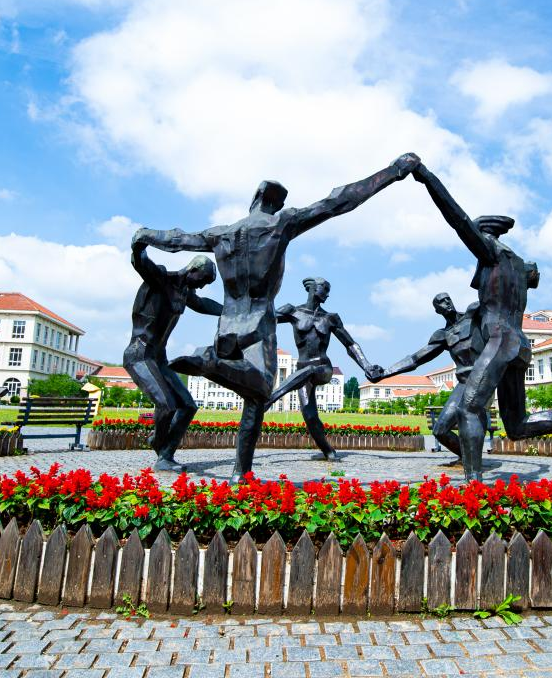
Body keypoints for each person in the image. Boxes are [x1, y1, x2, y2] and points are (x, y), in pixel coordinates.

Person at [132, 152, 420, 481]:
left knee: (254, 396)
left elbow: (178, 239)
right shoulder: (281, 223)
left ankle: (241, 470)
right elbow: (337, 202)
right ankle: (213, 371)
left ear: (254, 199)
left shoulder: (220, 234)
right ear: (275, 204)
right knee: (259, 395)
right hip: (258, 323)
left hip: (227, 325)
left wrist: (145, 235)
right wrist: (393, 172)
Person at [412, 164, 552, 481]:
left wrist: (426, 177)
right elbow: (531, 278)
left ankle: (473, 485)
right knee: (517, 427)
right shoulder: (518, 264)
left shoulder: (492, 252)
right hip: (518, 345)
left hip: (500, 340)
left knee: (469, 408)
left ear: (482, 234)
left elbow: (456, 219)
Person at [124, 247, 222, 470]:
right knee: (166, 405)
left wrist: (229, 311)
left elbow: (202, 304)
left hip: (159, 358)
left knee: (187, 406)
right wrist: (139, 246)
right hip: (139, 355)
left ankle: (165, 455)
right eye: (203, 280)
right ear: (193, 269)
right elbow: (140, 262)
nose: (202, 286)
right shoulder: (161, 278)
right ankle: (159, 446)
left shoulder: (184, 292)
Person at [266, 277, 381, 461]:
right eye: (325, 289)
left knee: (310, 370)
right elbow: (264, 320)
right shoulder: (292, 311)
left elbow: (350, 344)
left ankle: (271, 398)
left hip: (322, 368)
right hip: (301, 371)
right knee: (310, 416)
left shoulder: (330, 318)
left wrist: (366, 365)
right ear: (312, 288)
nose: (327, 294)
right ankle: (328, 451)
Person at [375, 292, 487, 459]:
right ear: (437, 310)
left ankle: (473, 462)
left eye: (448, 299)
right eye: (441, 302)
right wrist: (384, 373)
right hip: (464, 383)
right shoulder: (443, 335)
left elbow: (495, 301)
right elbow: (415, 359)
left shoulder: (473, 314)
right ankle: (468, 458)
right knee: (440, 430)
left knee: (471, 419)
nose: (447, 303)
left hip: (485, 378)